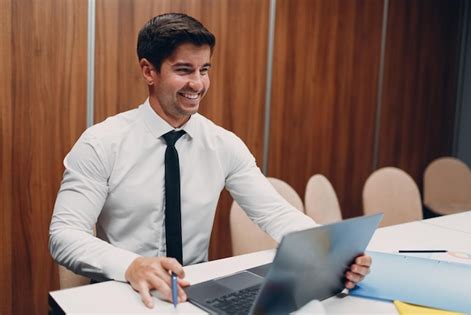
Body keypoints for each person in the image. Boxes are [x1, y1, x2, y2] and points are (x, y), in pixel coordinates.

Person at [49, 13, 372, 309]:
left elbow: (275, 214)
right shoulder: (101, 143)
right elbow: (64, 234)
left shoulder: (223, 144)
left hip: (197, 294)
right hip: (124, 293)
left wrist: (333, 255)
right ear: (149, 71)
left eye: (204, 70)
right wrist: (131, 265)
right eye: (183, 70)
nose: (198, 84)